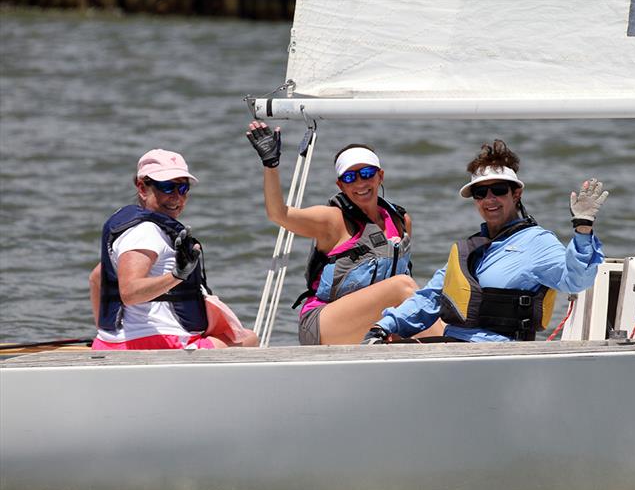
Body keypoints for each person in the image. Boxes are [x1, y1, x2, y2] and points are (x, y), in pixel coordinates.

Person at [362, 139, 608, 343]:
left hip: (498, 353)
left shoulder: (537, 242)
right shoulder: (471, 249)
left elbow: (576, 281)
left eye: (499, 190)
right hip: (454, 346)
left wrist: (583, 229)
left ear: (516, 193)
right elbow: (430, 298)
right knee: (381, 349)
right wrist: (383, 327)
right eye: (481, 193)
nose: (490, 199)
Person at [246, 120, 444, 345]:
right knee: (404, 287)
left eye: (367, 173)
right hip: (323, 324)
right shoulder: (333, 221)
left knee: (446, 309)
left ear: (380, 176)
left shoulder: (401, 221)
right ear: (340, 185)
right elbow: (278, 214)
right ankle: (453, 348)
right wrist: (270, 165)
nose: (360, 182)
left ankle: (459, 346)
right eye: (350, 177)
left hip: (377, 324)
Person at [89, 149, 258, 350]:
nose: (177, 197)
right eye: (167, 187)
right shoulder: (146, 232)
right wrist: (177, 275)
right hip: (154, 345)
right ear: (142, 188)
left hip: (114, 344)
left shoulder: (137, 230)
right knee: (249, 339)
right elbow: (130, 293)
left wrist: (108, 334)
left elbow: (97, 278)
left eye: (183, 188)